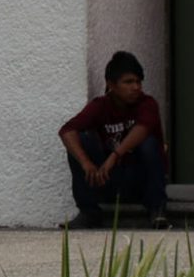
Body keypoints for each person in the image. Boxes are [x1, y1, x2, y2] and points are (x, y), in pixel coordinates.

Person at [60, 50, 169, 229]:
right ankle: (89, 212)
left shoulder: (147, 104)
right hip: (109, 178)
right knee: (81, 141)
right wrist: (86, 163)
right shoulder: (101, 105)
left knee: (148, 143)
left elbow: (142, 129)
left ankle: (157, 209)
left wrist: (115, 156)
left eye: (138, 82)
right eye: (128, 82)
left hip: (141, 179)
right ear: (111, 84)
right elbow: (67, 131)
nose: (136, 87)